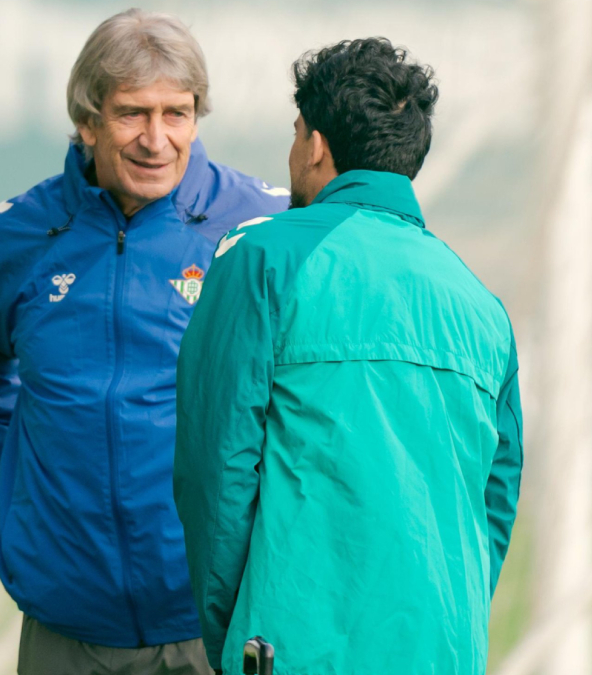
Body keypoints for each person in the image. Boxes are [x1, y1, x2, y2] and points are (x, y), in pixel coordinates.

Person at [0, 9, 288, 675]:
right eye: (132, 114)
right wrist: (14, 518)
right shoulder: (22, 233)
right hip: (67, 625)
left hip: (216, 623)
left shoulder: (262, 228)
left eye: (176, 114)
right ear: (87, 122)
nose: (156, 139)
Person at [174, 38, 524, 674]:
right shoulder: (482, 305)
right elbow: (494, 503)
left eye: (295, 132)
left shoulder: (262, 257)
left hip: (287, 651)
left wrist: (236, 636)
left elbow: (215, 471)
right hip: (445, 651)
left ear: (315, 145)